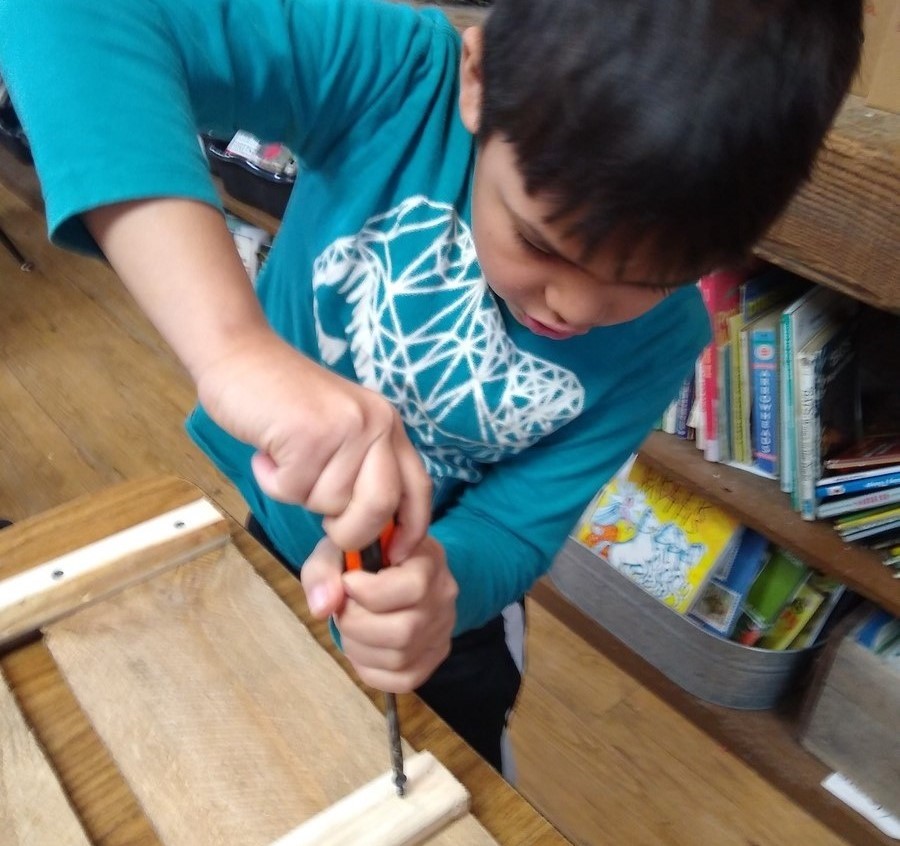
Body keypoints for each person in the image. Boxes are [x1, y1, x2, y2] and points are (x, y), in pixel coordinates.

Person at [0, 0, 861, 776]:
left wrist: (440, 585)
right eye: (545, 243)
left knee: (455, 768)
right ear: (479, 81)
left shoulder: (664, 344)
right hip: (247, 512)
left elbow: (516, 526)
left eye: (660, 275)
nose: (578, 307)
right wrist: (233, 349)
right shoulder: (399, 78)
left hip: (441, 616)